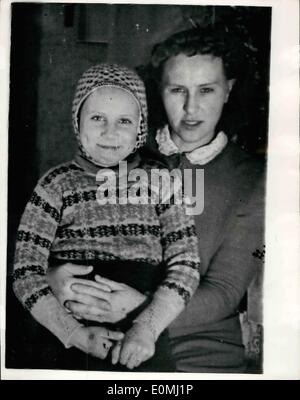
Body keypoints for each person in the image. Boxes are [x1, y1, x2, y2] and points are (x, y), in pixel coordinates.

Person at [47, 25, 265, 373]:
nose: (191, 108)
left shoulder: (253, 179)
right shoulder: (118, 150)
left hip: (196, 357)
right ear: (158, 91)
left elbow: (224, 292)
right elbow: (62, 239)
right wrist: (53, 276)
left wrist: (141, 312)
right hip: (101, 345)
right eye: (177, 89)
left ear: (228, 90)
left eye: (206, 90)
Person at [12, 63, 201, 371]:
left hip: (143, 336)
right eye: (97, 118)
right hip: (67, 340)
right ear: (78, 120)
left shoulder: (163, 182)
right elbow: (25, 270)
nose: (110, 132)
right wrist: (73, 333)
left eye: (124, 121)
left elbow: (187, 264)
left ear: (140, 127)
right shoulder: (55, 184)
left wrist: (146, 327)